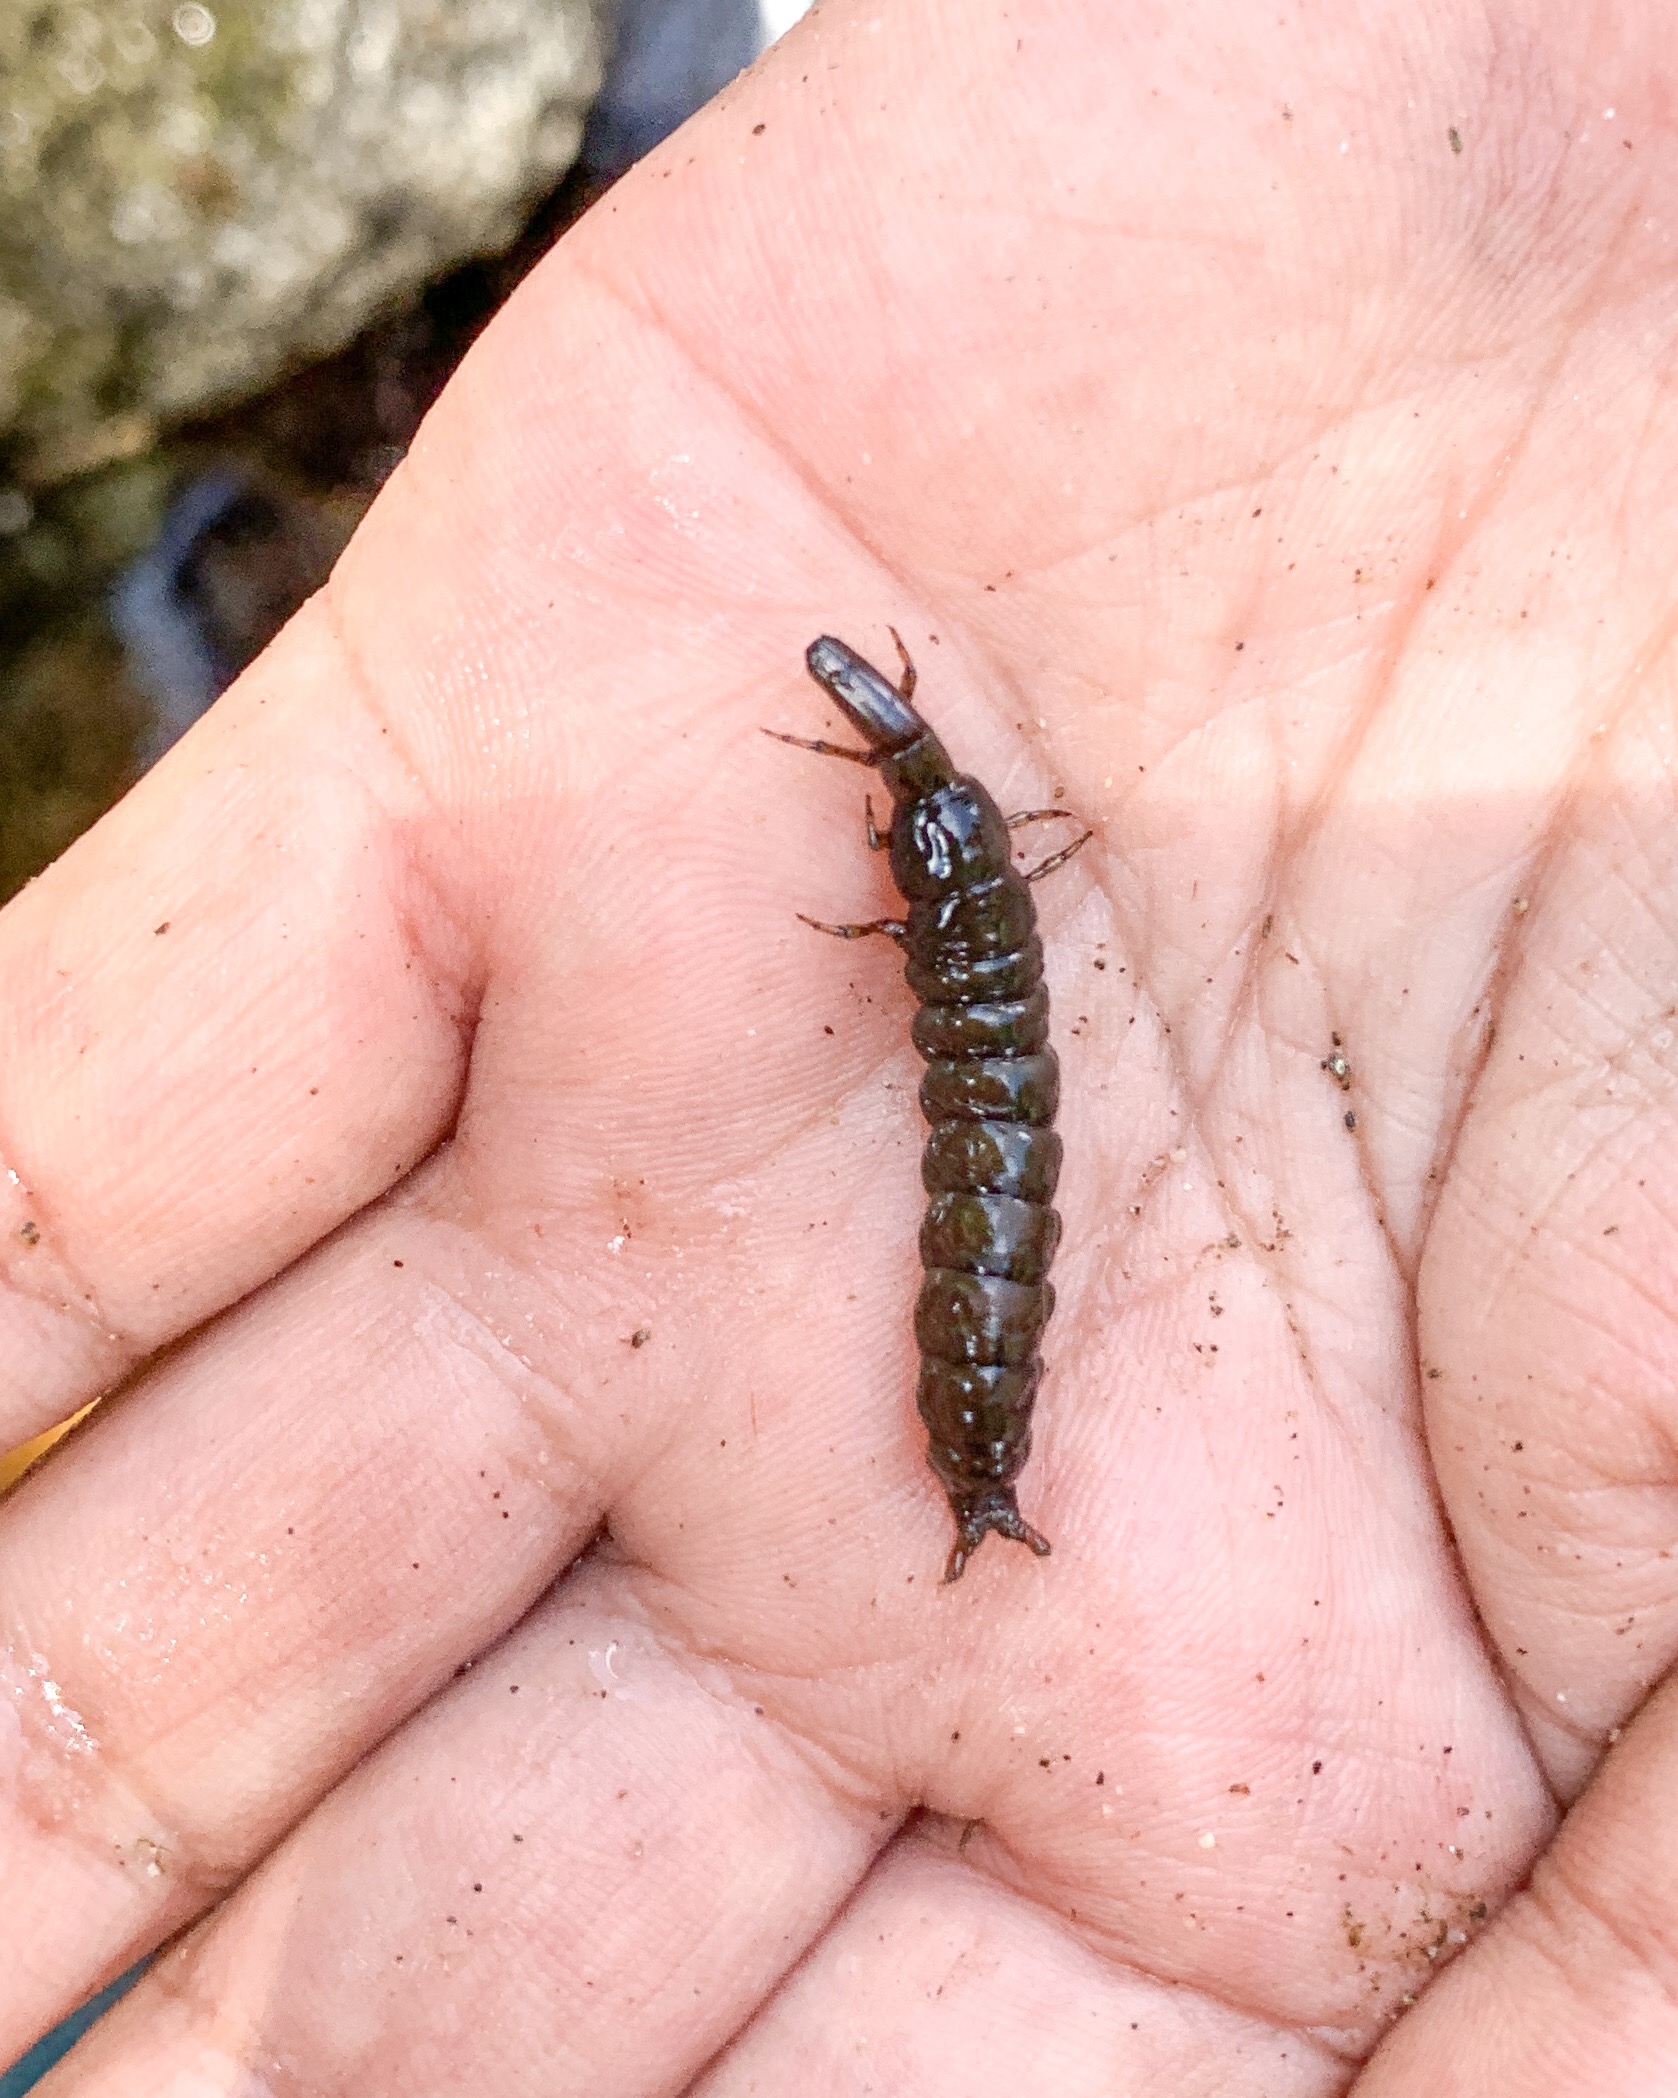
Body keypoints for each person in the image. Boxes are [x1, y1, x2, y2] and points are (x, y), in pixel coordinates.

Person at [0, 3, 1670, 2089]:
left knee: (987, 1185)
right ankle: (979, 1471)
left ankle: (984, 1467)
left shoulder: (961, 882)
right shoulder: (953, 870)